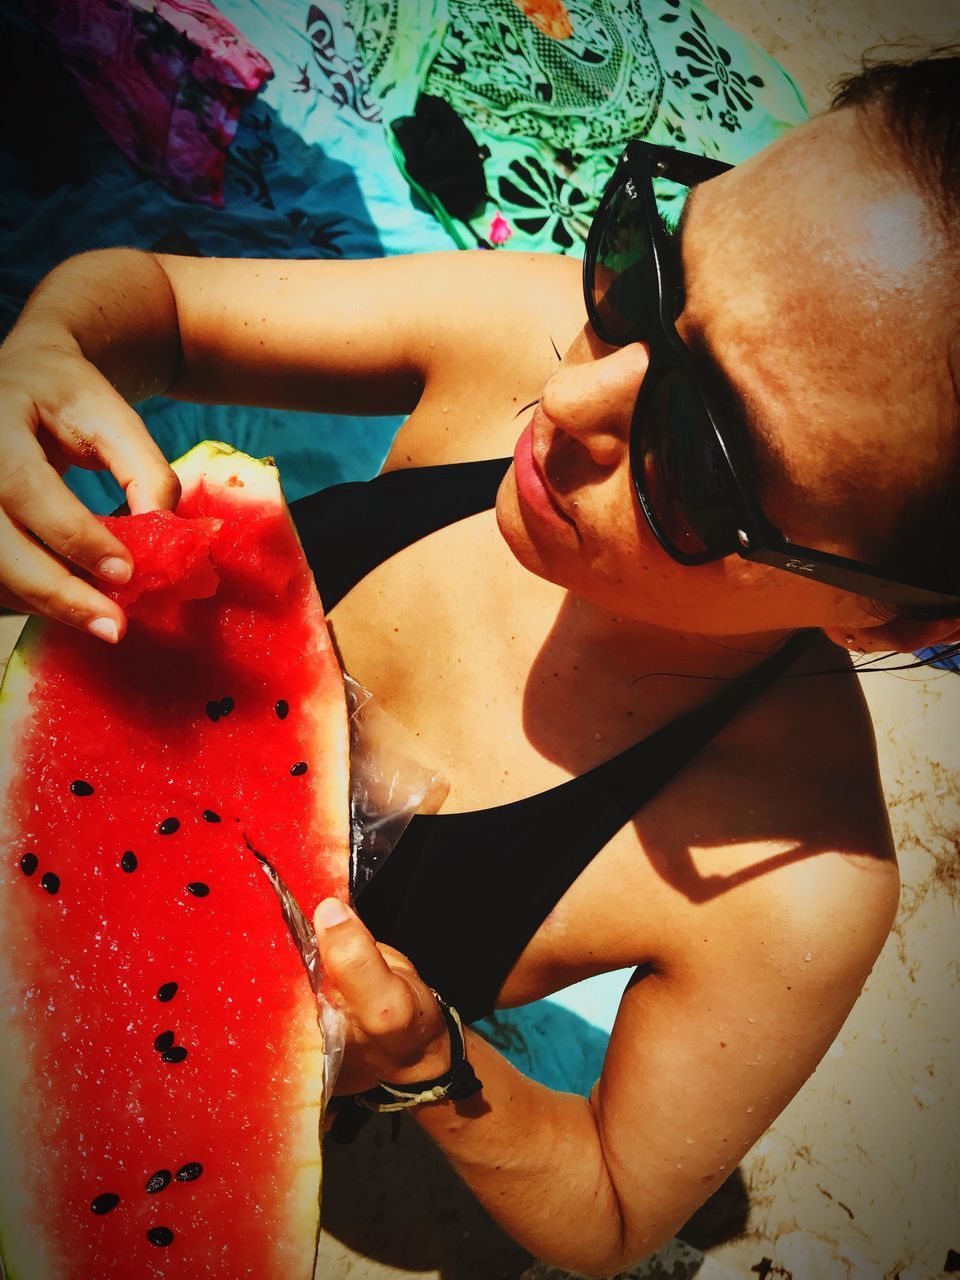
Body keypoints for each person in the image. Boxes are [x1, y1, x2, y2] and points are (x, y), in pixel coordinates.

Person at [1, 49, 958, 1276]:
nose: (568, 399)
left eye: (702, 458)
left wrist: (427, 1065)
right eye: (642, 266)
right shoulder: (522, 320)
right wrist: (49, 343)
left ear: (893, 625)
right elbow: (159, 309)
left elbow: (611, 1207)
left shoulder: (800, 885)